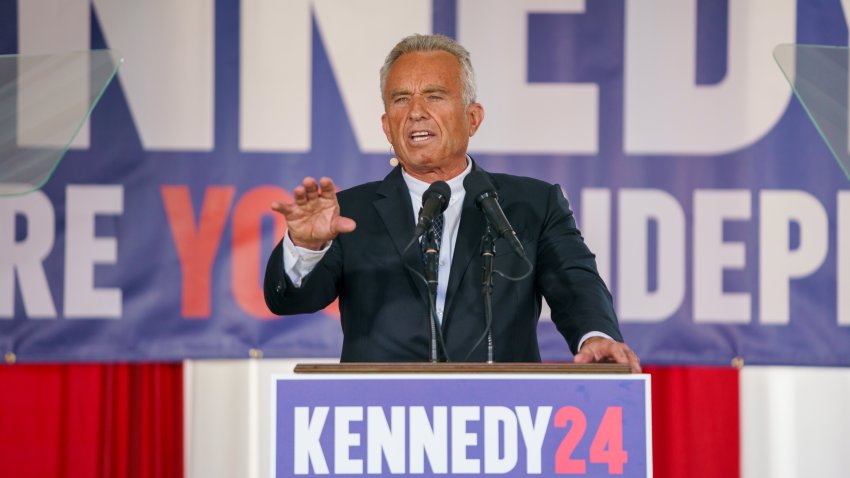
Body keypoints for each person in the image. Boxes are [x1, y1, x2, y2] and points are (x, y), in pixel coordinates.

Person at [264, 34, 640, 372]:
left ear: (472, 118)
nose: (415, 112)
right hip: (381, 426)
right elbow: (290, 301)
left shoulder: (533, 204)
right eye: (401, 99)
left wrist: (595, 337)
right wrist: (307, 246)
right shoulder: (349, 213)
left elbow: (575, 283)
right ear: (386, 125)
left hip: (499, 420)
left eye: (434, 96)